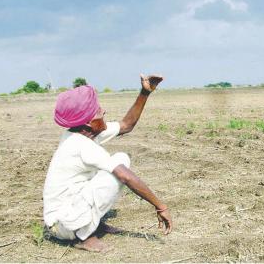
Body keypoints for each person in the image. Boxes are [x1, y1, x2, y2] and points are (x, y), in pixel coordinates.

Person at [43, 74, 172, 252]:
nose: (103, 112)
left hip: (70, 212)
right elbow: (125, 177)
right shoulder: (80, 145)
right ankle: (84, 236)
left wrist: (145, 92)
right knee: (117, 175)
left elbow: (127, 125)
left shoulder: (84, 131)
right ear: (88, 123)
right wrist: (160, 206)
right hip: (60, 225)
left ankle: (90, 224)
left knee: (121, 159)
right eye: (98, 110)